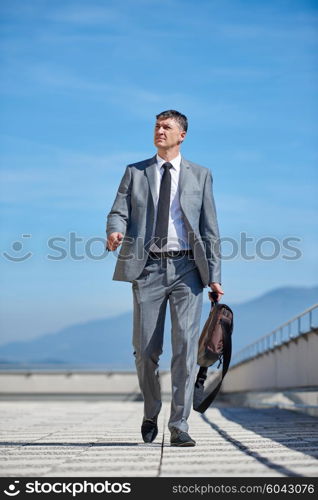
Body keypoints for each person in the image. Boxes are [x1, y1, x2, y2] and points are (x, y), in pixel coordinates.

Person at [106, 110, 223, 447]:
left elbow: (210, 228)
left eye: (166, 127)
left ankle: (179, 424)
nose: (159, 131)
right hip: (147, 268)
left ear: (181, 135)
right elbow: (118, 211)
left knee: (185, 348)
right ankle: (150, 411)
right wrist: (115, 231)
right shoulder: (135, 171)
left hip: (188, 270)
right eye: (156, 126)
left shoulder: (201, 175)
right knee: (145, 350)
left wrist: (214, 275)